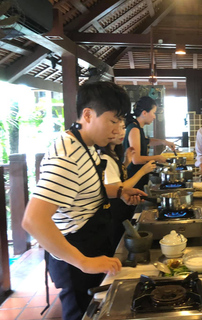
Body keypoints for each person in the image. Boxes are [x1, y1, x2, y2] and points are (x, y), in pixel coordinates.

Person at [22, 82, 147, 320]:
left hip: (91, 244)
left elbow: (87, 188)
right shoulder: (66, 156)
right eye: (113, 121)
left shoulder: (86, 145)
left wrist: (119, 192)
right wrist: (83, 262)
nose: (118, 129)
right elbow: (33, 220)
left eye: (121, 122)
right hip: (75, 256)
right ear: (88, 115)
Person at [97, 121, 157, 250]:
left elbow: (116, 177)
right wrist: (142, 171)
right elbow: (120, 188)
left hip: (120, 209)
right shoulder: (105, 158)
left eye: (123, 127)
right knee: (117, 245)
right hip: (114, 212)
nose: (121, 132)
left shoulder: (112, 155)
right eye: (115, 127)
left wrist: (126, 161)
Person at [124, 96, 176, 189]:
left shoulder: (137, 127)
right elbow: (136, 159)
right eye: (153, 113)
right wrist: (157, 158)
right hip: (133, 178)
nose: (154, 116)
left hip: (138, 177)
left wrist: (164, 142)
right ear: (144, 113)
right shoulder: (134, 129)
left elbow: (147, 141)